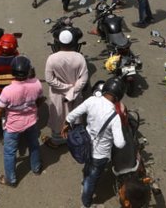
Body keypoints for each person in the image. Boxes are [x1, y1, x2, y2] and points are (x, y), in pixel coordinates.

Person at [64, 78, 127, 208]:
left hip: (86, 145)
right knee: (92, 179)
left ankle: (84, 181)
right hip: (100, 155)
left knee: (88, 166)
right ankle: (86, 203)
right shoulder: (114, 117)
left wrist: (66, 124)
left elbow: (71, 115)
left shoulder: (92, 100)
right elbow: (120, 144)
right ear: (119, 96)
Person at [0, 56, 44, 186]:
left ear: (13, 72)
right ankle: (36, 168)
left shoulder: (7, 91)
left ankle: (11, 179)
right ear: (28, 71)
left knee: (10, 153)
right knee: (34, 145)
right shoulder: (37, 84)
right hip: (31, 121)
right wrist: (32, 109)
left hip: (13, 126)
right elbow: (39, 101)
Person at [43, 29, 88, 148]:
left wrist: (65, 88)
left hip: (58, 95)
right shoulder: (79, 57)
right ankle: (74, 140)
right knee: (75, 115)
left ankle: (57, 141)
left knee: (58, 116)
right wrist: (72, 90)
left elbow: (49, 79)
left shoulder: (52, 58)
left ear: (58, 42)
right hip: (75, 94)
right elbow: (83, 79)